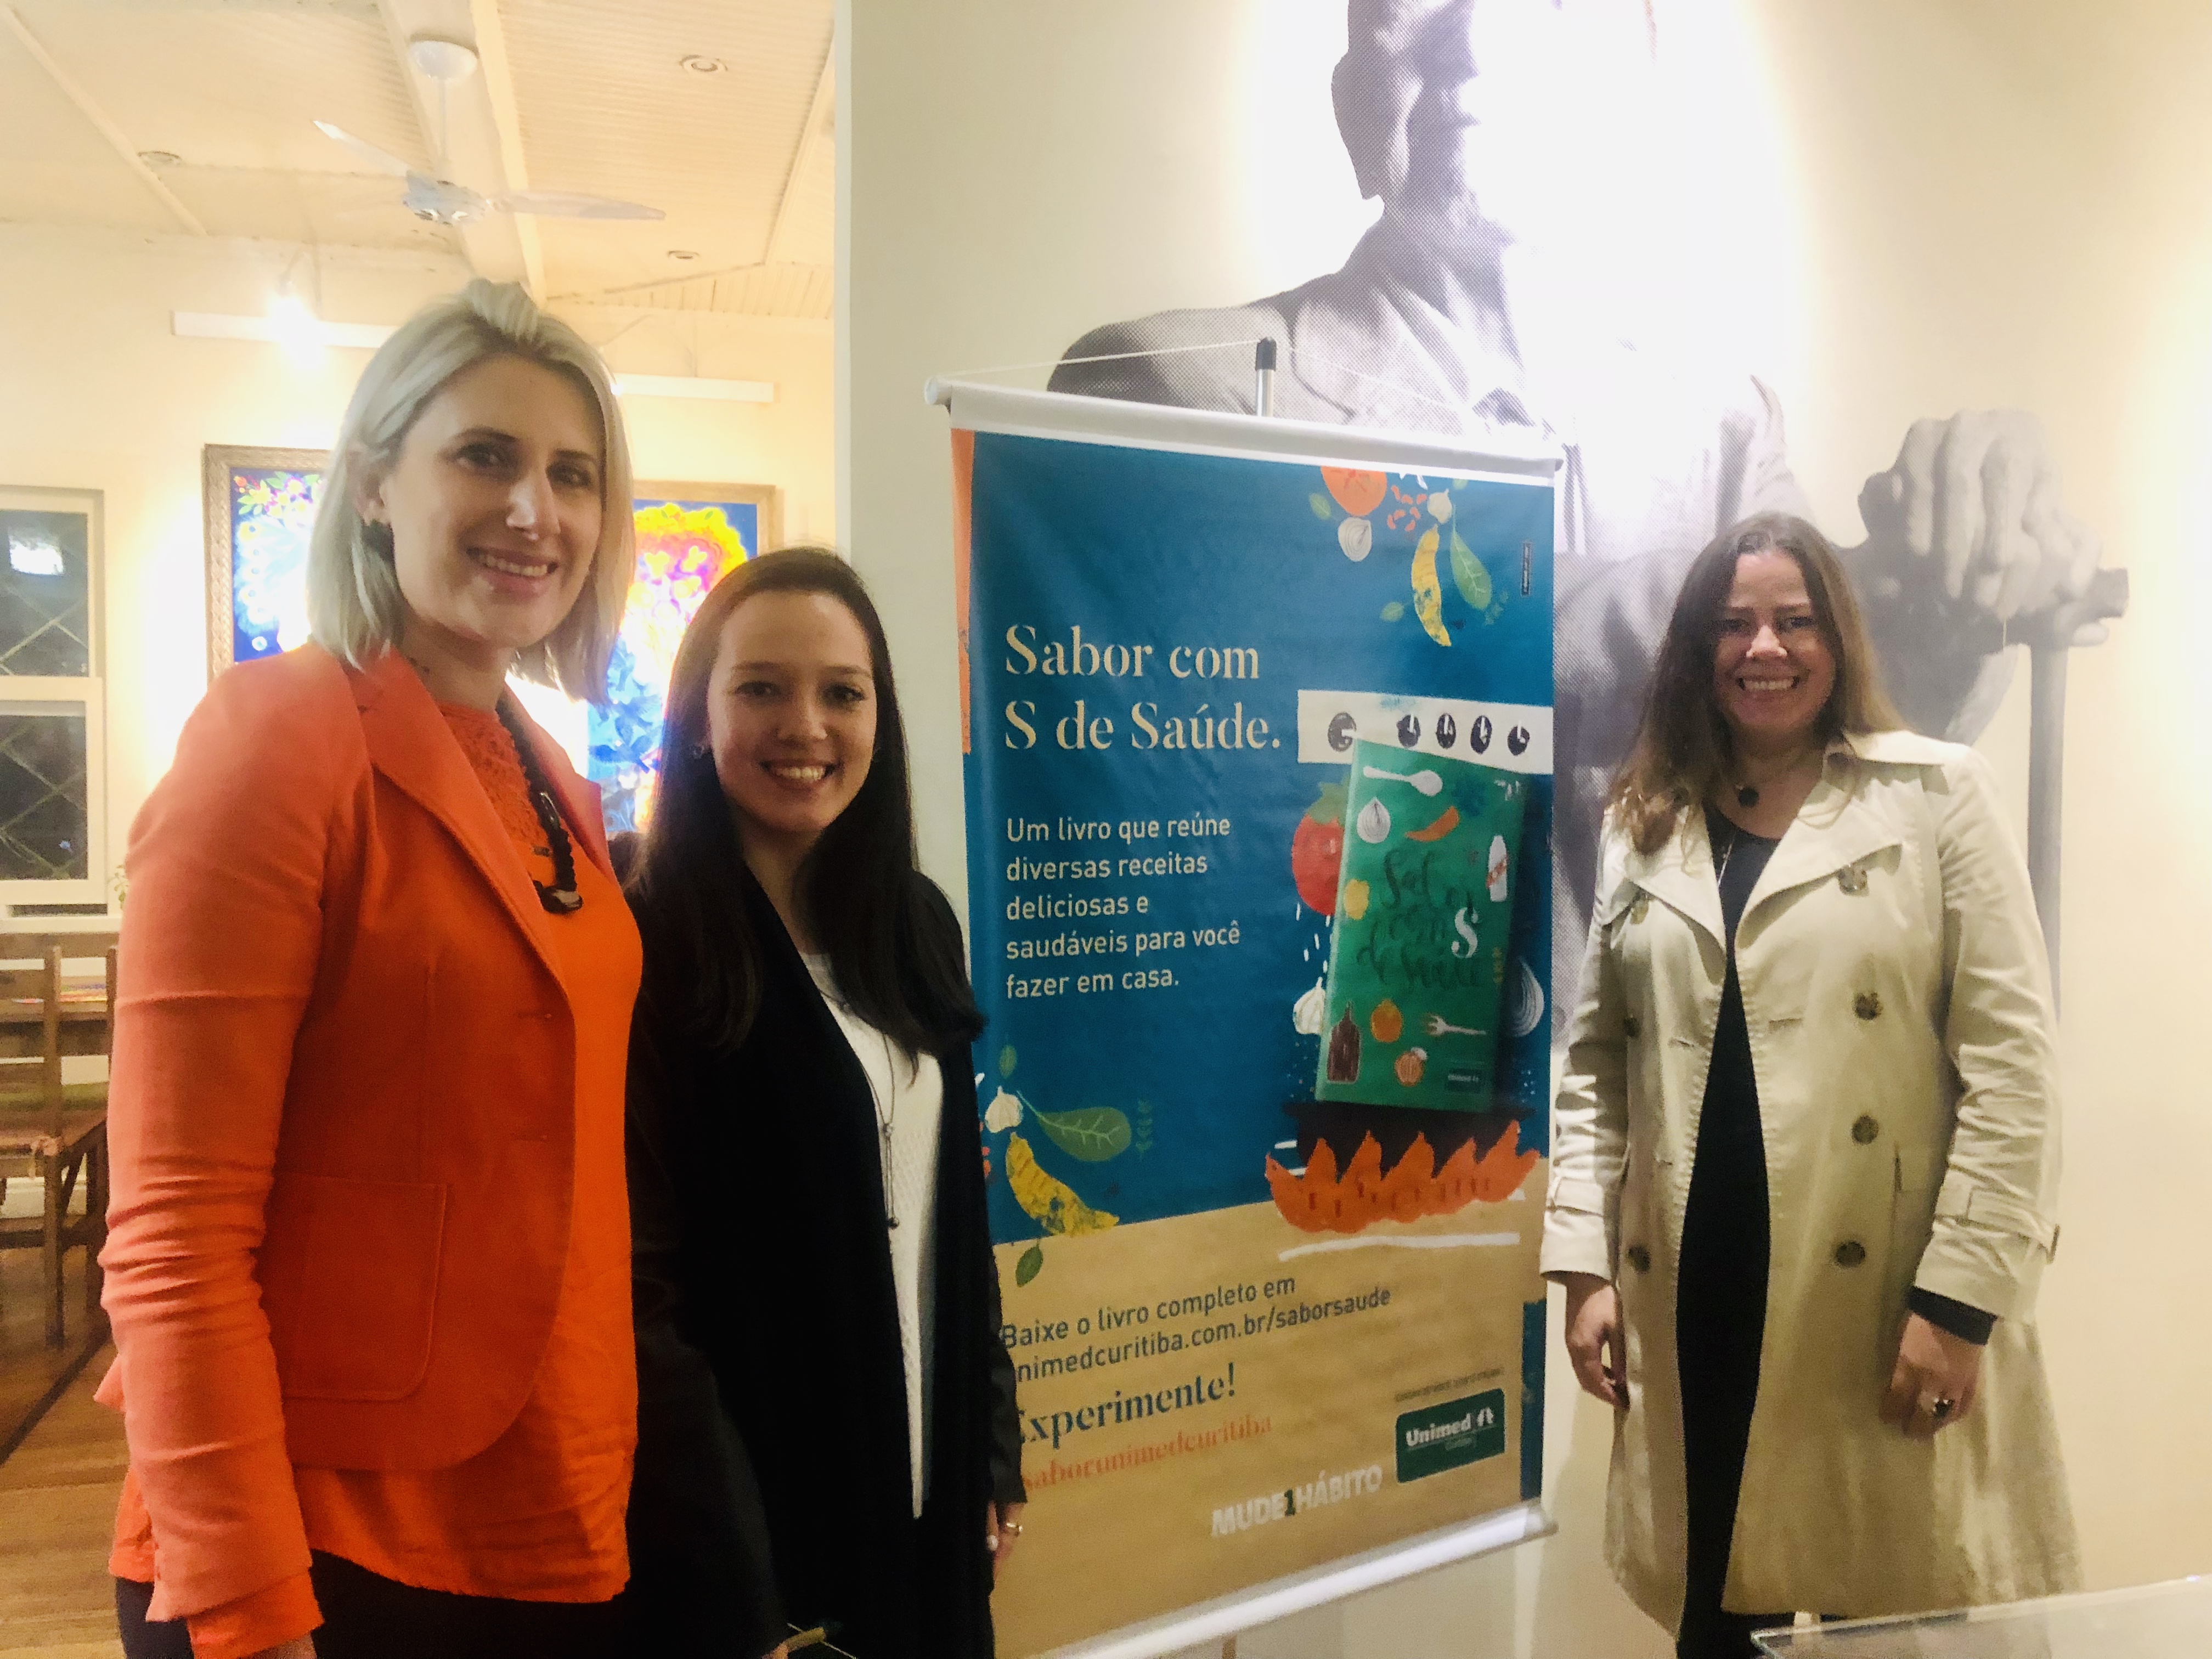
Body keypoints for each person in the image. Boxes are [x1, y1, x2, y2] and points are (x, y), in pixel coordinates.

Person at [1048, 0, 2111, 1030]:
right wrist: (1810, 594)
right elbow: (1385, 640)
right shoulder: (1177, 392)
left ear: (1630, 82)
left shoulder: (1720, 426)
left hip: (1694, 1130)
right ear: (1348, 103)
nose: (1477, 34)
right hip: (1350, 1128)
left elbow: (1830, 748)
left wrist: (1962, 574)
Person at [99, 280, 645, 1659]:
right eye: (485, 456)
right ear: (374, 486)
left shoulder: (551, 773)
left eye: (573, 474)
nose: (535, 510)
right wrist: (246, 1605)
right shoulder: (277, 740)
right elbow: (174, 1231)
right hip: (324, 1538)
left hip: (545, 1504)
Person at [1541, 514, 2078, 1658]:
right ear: (1697, 650)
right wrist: (1583, 1265)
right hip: (1696, 1290)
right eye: (1734, 624)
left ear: (1839, 639)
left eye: (1795, 621)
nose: (1765, 648)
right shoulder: (1644, 822)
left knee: (1887, 1622)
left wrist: (1960, 1305)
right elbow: (1596, 1067)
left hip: (1877, 1296)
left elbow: (2016, 1073)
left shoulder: (1935, 798)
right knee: (1718, 1615)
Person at [619, 548, 1026, 1659]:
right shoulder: (643, 939)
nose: (806, 726)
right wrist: (730, 1564)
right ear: (696, 718)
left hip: (926, 1504)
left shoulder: (913, 924)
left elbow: (952, 1219)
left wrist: (991, 1445)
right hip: (745, 1537)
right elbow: (640, 1294)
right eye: (762, 687)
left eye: (843, 694)